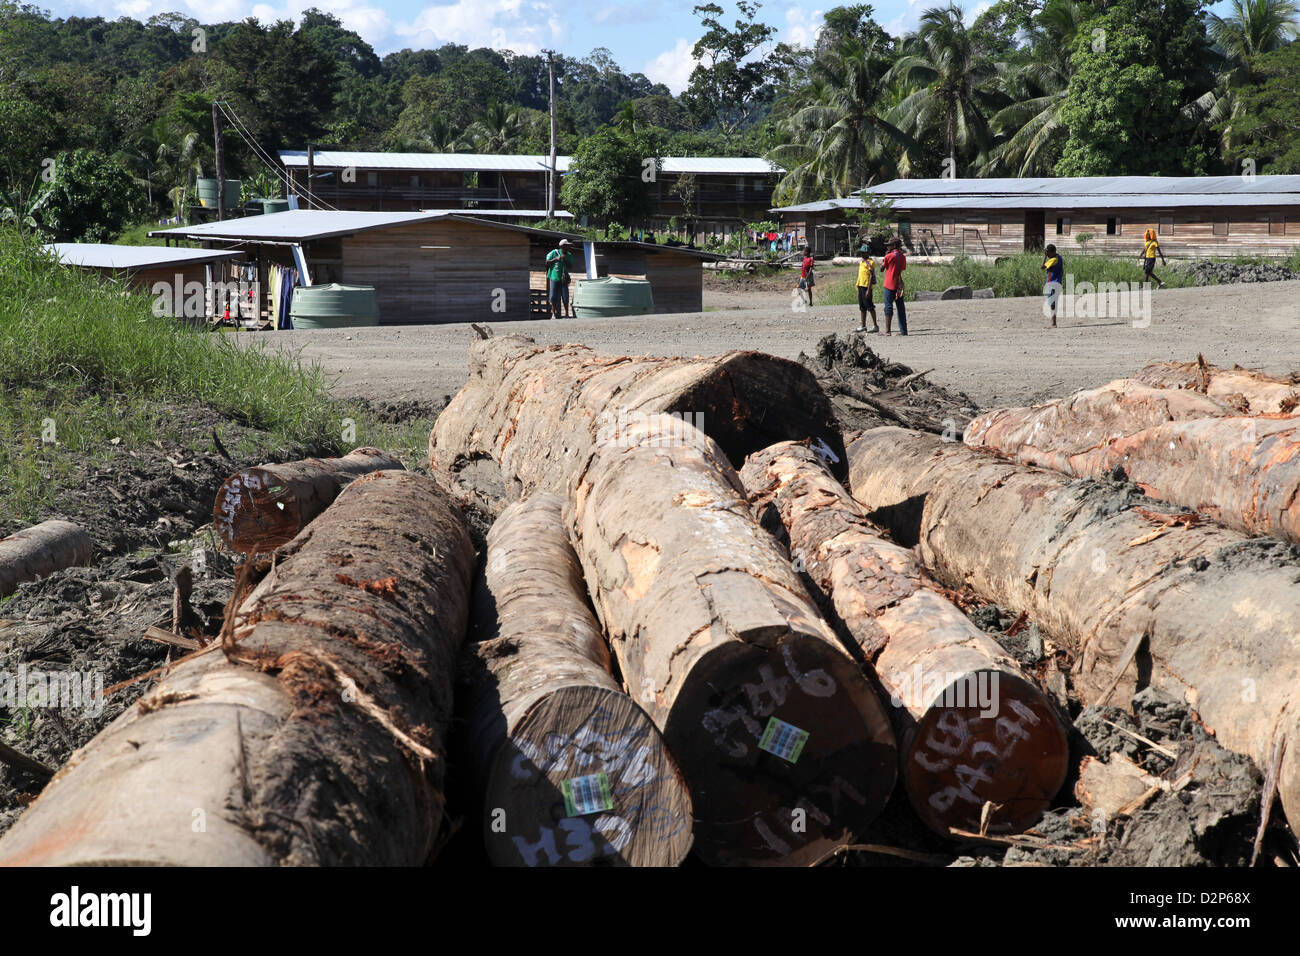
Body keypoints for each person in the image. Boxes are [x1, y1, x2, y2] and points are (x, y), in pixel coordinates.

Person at [882, 237, 907, 335]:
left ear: (894, 246)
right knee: (900, 307)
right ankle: (903, 330)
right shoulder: (903, 257)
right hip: (899, 284)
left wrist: (886, 256)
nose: (888, 247)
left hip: (889, 284)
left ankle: (888, 331)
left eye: (889, 245)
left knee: (888, 306)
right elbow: (902, 268)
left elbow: (882, 268)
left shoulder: (889, 256)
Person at [546, 239, 574, 319]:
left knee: (565, 296)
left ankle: (566, 314)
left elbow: (570, 267)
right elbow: (547, 262)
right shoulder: (554, 253)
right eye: (567, 245)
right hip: (554, 277)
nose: (568, 247)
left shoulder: (569, 255)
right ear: (562, 246)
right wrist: (556, 259)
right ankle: (553, 314)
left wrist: (565, 260)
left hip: (564, 278)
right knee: (553, 296)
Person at [854, 244, 879, 333]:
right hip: (861, 286)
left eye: (864, 252)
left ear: (868, 253)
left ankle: (875, 326)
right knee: (862, 307)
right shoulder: (861, 262)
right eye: (861, 252)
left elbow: (871, 276)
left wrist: (869, 289)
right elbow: (860, 276)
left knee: (870, 306)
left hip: (866, 287)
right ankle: (863, 326)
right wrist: (858, 287)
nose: (862, 254)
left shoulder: (870, 262)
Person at [1043, 243, 1065, 328]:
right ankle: (1053, 323)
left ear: (1052, 252)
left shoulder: (1053, 260)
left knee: (1052, 303)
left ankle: (1054, 324)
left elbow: (1042, 266)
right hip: (1057, 282)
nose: (1047, 255)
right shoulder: (1059, 257)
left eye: (1048, 253)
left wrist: (1044, 256)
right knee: (1053, 303)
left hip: (1052, 283)